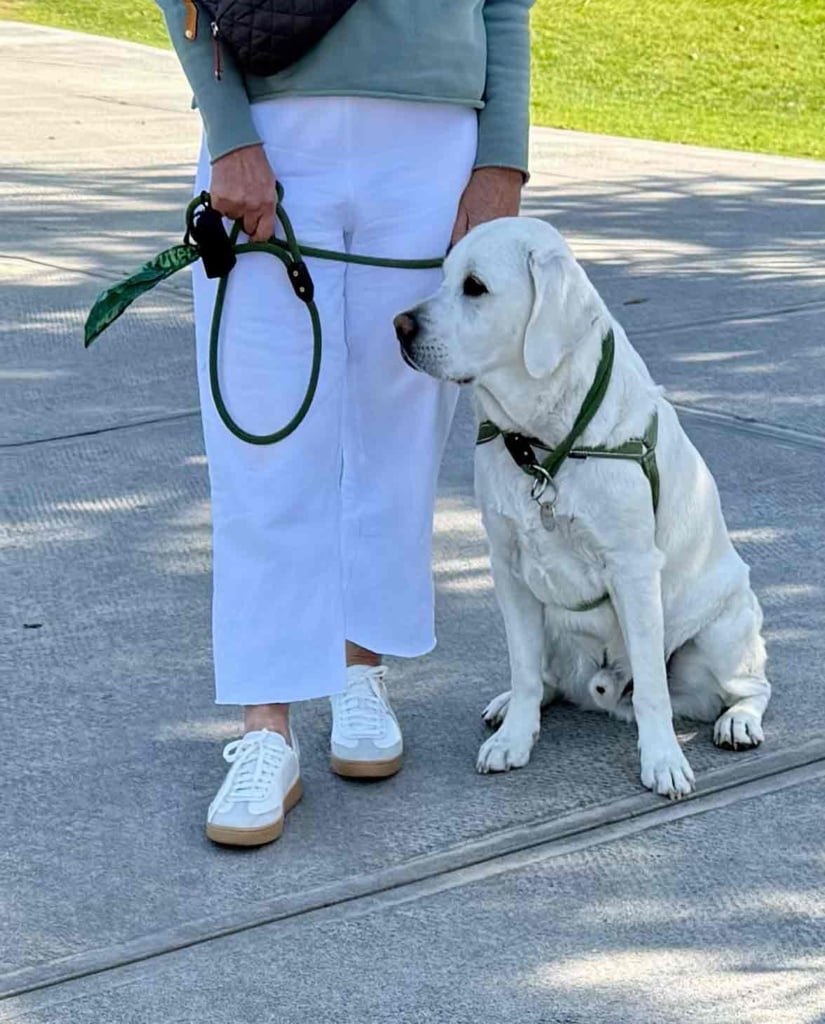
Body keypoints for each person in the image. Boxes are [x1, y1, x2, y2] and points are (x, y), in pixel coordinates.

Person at [156, 0, 534, 846]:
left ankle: (362, 673)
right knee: (263, 434)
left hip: (436, 143)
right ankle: (265, 727)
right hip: (273, 133)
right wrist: (228, 132)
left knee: (399, 435)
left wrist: (502, 157)